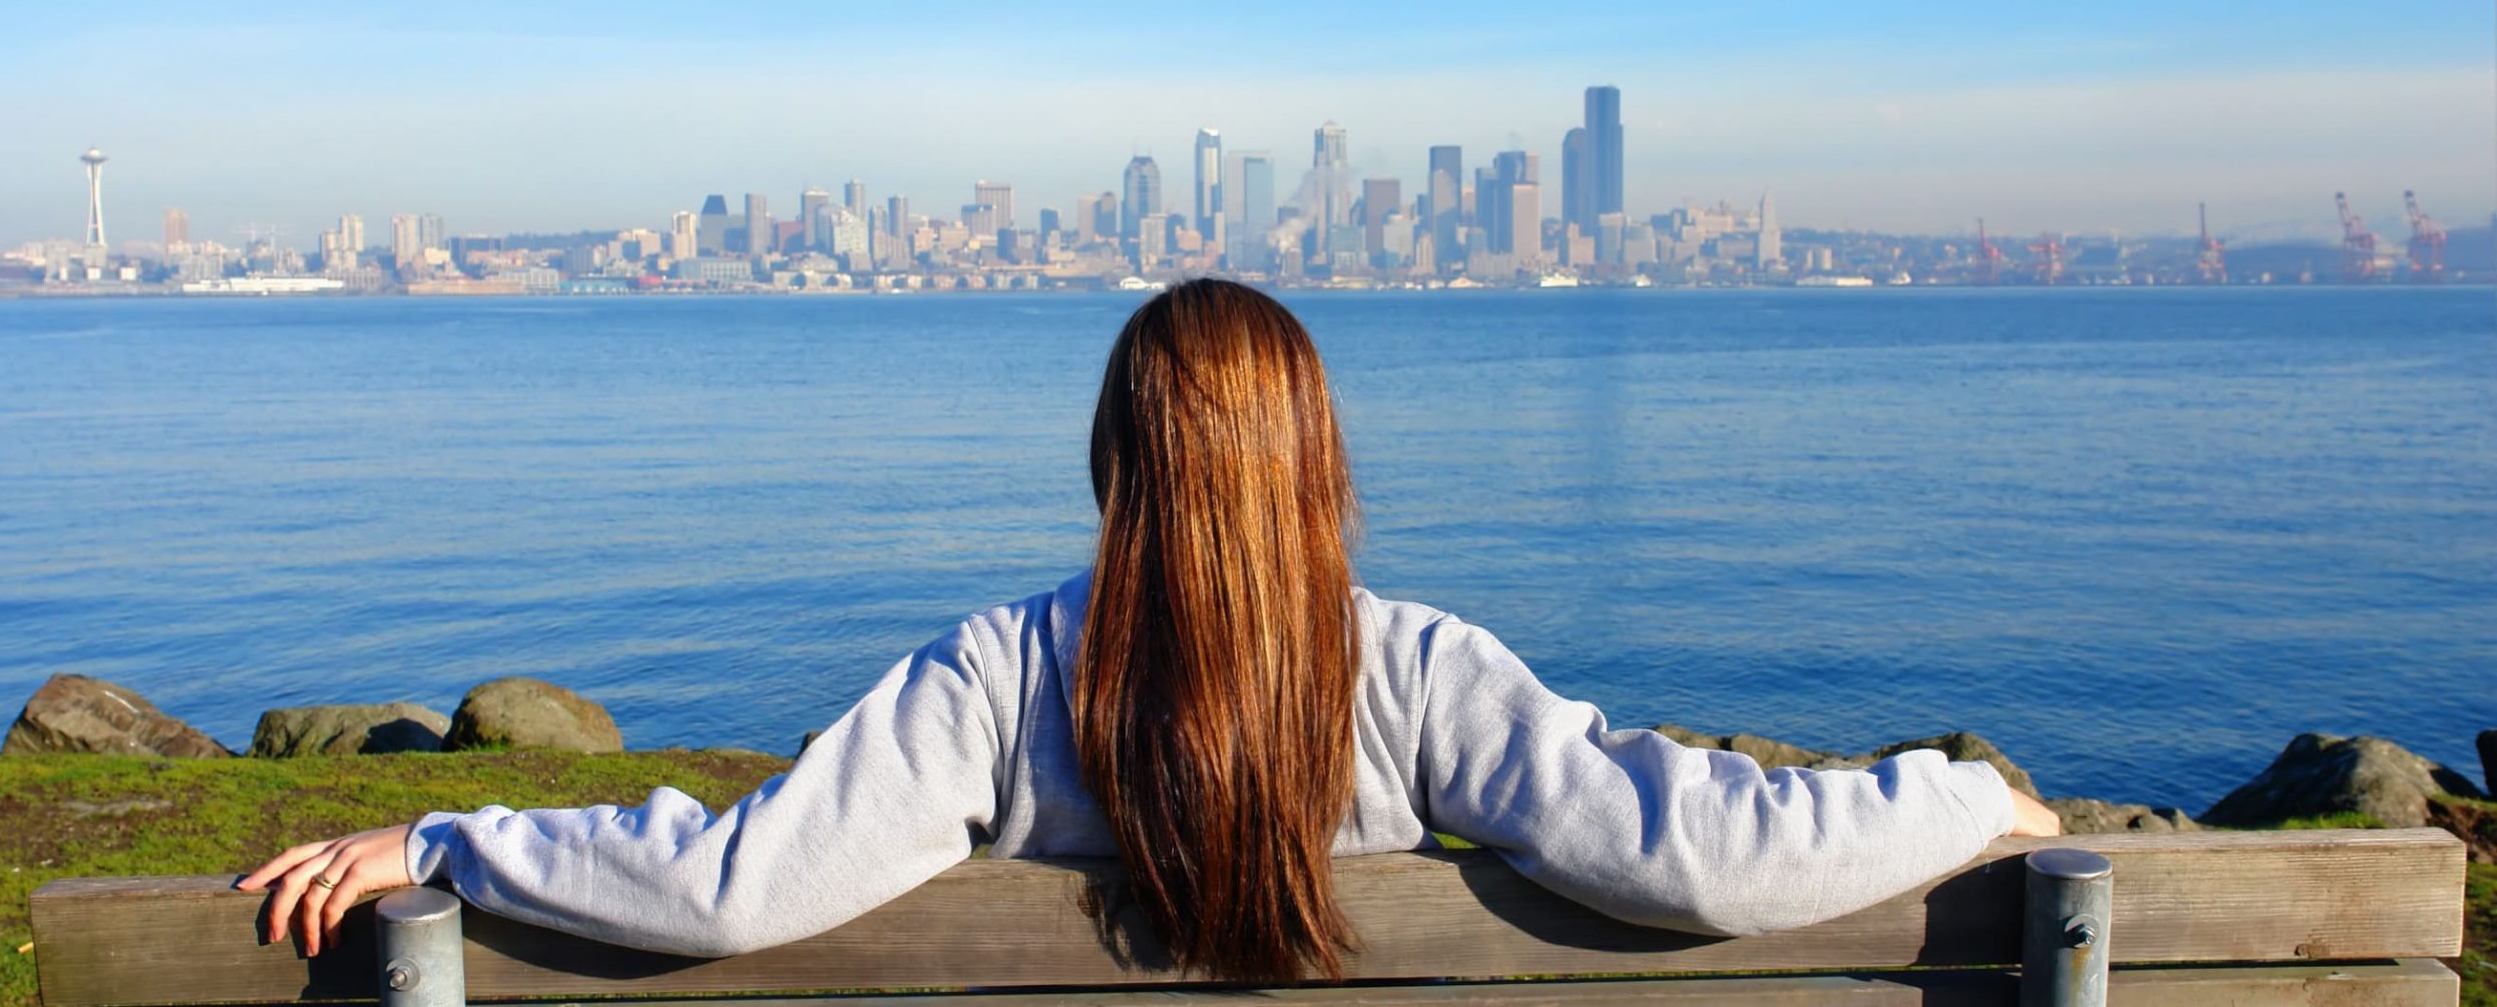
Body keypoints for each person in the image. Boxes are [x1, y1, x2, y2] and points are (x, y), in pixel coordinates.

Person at [242, 278, 2059, 982]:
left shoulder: (998, 678)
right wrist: (1965, 799)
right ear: (1319, 460)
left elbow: (736, 882)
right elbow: (1705, 854)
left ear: (1113, 455)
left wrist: (446, 832)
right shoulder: (1413, 673)